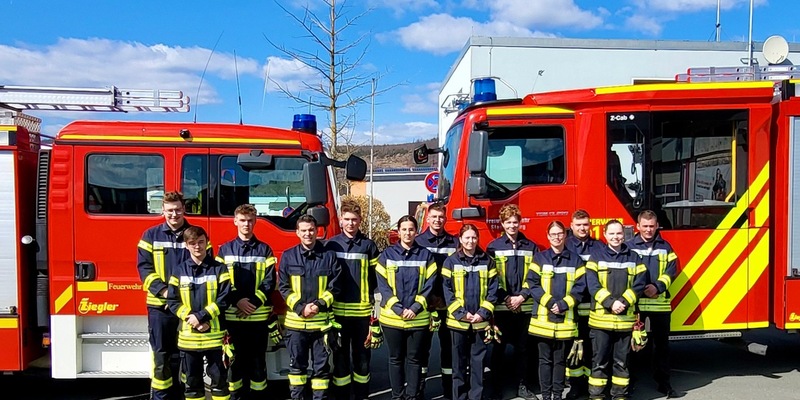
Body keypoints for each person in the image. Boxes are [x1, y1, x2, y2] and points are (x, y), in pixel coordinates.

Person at [137, 191, 204, 400]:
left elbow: (205, 269)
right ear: (163, 211)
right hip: (160, 306)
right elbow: (144, 269)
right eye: (169, 210)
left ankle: (186, 395)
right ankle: (160, 397)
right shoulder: (150, 236)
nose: (174, 214)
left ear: (184, 209)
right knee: (161, 354)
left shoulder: (195, 235)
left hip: (188, 308)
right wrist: (165, 293)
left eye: (177, 209)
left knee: (188, 354)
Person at [217, 204, 277, 400]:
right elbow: (221, 281)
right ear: (235, 221)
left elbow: (270, 282)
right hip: (232, 319)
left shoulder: (265, 249)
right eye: (242, 220)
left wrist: (251, 303)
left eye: (250, 220)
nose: (246, 224)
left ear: (255, 222)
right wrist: (237, 301)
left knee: (258, 364)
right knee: (234, 364)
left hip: (257, 319)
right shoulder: (224, 250)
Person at [279, 215, 342, 400]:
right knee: (297, 370)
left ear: (317, 231)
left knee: (321, 371)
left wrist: (318, 305)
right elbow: (283, 286)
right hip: (296, 326)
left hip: (321, 326)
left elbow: (335, 287)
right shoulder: (288, 256)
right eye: (304, 230)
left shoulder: (329, 257)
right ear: (297, 232)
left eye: (311, 230)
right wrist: (300, 308)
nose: (308, 234)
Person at [166, 226, 232, 400]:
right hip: (189, 340)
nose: (197, 246)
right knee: (192, 386)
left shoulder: (220, 269)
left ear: (207, 243)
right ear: (186, 245)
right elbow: (172, 301)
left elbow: (224, 298)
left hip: (215, 338)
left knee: (220, 384)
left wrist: (201, 317)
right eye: (192, 243)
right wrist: (193, 318)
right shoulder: (178, 271)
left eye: (201, 242)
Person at [377, 215, 437, 400]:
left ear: (416, 231)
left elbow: (430, 284)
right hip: (392, 319)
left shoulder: (426, 255)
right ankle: (397, 396)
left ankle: (411, 396)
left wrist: (416, 307)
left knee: (414, 360)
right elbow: (383, 285)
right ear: (398, 232)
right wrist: (398, 309)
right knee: (395, 359)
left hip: (417, 318)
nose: (407, 233)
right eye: (404, 229)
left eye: (411, 229)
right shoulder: (387, 255)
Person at [585, 220, 647, 400]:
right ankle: (596, 395)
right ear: (605, 235)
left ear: (624, 234)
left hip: (625, 321)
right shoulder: (595, 256)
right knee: (599, 361)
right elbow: (593, 285)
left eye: (619, 233)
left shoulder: (634, 257)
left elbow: (639, 284)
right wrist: (611, 303)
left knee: (622, 362)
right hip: (600, 321)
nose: (616, 237)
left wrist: (623, 302)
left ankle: (620, 395)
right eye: (611, 234)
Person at [327, 201, 381, 400]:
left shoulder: (368, 246)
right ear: (341, 220)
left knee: (362, 361)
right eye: (347, 219)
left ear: (360, 221)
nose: (350, 223)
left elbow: (377, 279)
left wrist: (374, 316)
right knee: (340, 360)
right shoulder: (331, 245)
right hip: (338, 314)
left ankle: (362, 396)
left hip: (361, 314)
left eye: (354, 220)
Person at [527, 221, 587, 400]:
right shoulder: (539, 258)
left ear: (565, 235)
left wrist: (564, 304)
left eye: (560, 234)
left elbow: (580, 287)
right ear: (548, 236)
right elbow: (532, 283)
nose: (557, 237)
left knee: (560, 361)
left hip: (565, 320)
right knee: (544, 361)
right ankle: (546, 396)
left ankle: (558, 395)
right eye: (553, 234)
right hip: (543, 321)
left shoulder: (576, 260)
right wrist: (551, 302)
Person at [627, 210, 684, 398]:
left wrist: (658, 287)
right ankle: (630, 382)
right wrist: (641, 288)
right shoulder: (629, 246)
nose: (649, 230)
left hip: (659, 304)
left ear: (657, 225)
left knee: (662, 346)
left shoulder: (665, 247)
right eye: (645, 226)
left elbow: (672, 271)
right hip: (637, 305)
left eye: (652, 226)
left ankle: (664, 383)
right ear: (638, 226)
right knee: (634, 345)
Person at [486, 204, 539, 400]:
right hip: (502, 307)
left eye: (515, 222)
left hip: (524, 307)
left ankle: (522, 386)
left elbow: (534, 276)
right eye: (508, 222)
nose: (512, 225)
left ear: (520, 222)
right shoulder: (494, 247)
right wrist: (506, 298)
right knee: (498, 348)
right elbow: (491, 278)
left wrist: (522, 296)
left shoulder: (531, 246)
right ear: (502, 224)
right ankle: (495, 387)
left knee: (523, 349)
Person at [441, 224, 498, 400]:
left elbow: (493, 291)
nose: (471, 241)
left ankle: (476, 397)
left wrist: (483, 313)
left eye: (474, 237)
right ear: (460, 239)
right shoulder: (450, 262)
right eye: (467, 237)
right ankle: (459, 397)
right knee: (458, 365)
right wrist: (461, 313)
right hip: (458, 322)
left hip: (480, 322)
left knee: (477, 364)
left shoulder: (487, 261)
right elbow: (447, 292)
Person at [415, 202, 458, 399]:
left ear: (445, 218)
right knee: (422, 348)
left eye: (441, 217)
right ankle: (420, 387)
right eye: (434, 217)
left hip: (448, 304)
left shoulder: (454, 242)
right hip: (424, 304)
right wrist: (426, 298)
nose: (437, 220)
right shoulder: (418, 241)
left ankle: (449, 390)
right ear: (428, 218)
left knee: (448, 348)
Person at [563, 210, 601, 400]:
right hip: (572, 307)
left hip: (594, 307)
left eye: (585, 224)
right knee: (573, 349)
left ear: (590, 225)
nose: (582, 228)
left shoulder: (600, 247)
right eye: (578, 225)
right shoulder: (565, 245)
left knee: (592, 348)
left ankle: (591, 386)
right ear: (572, 226)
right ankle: (575, 386)